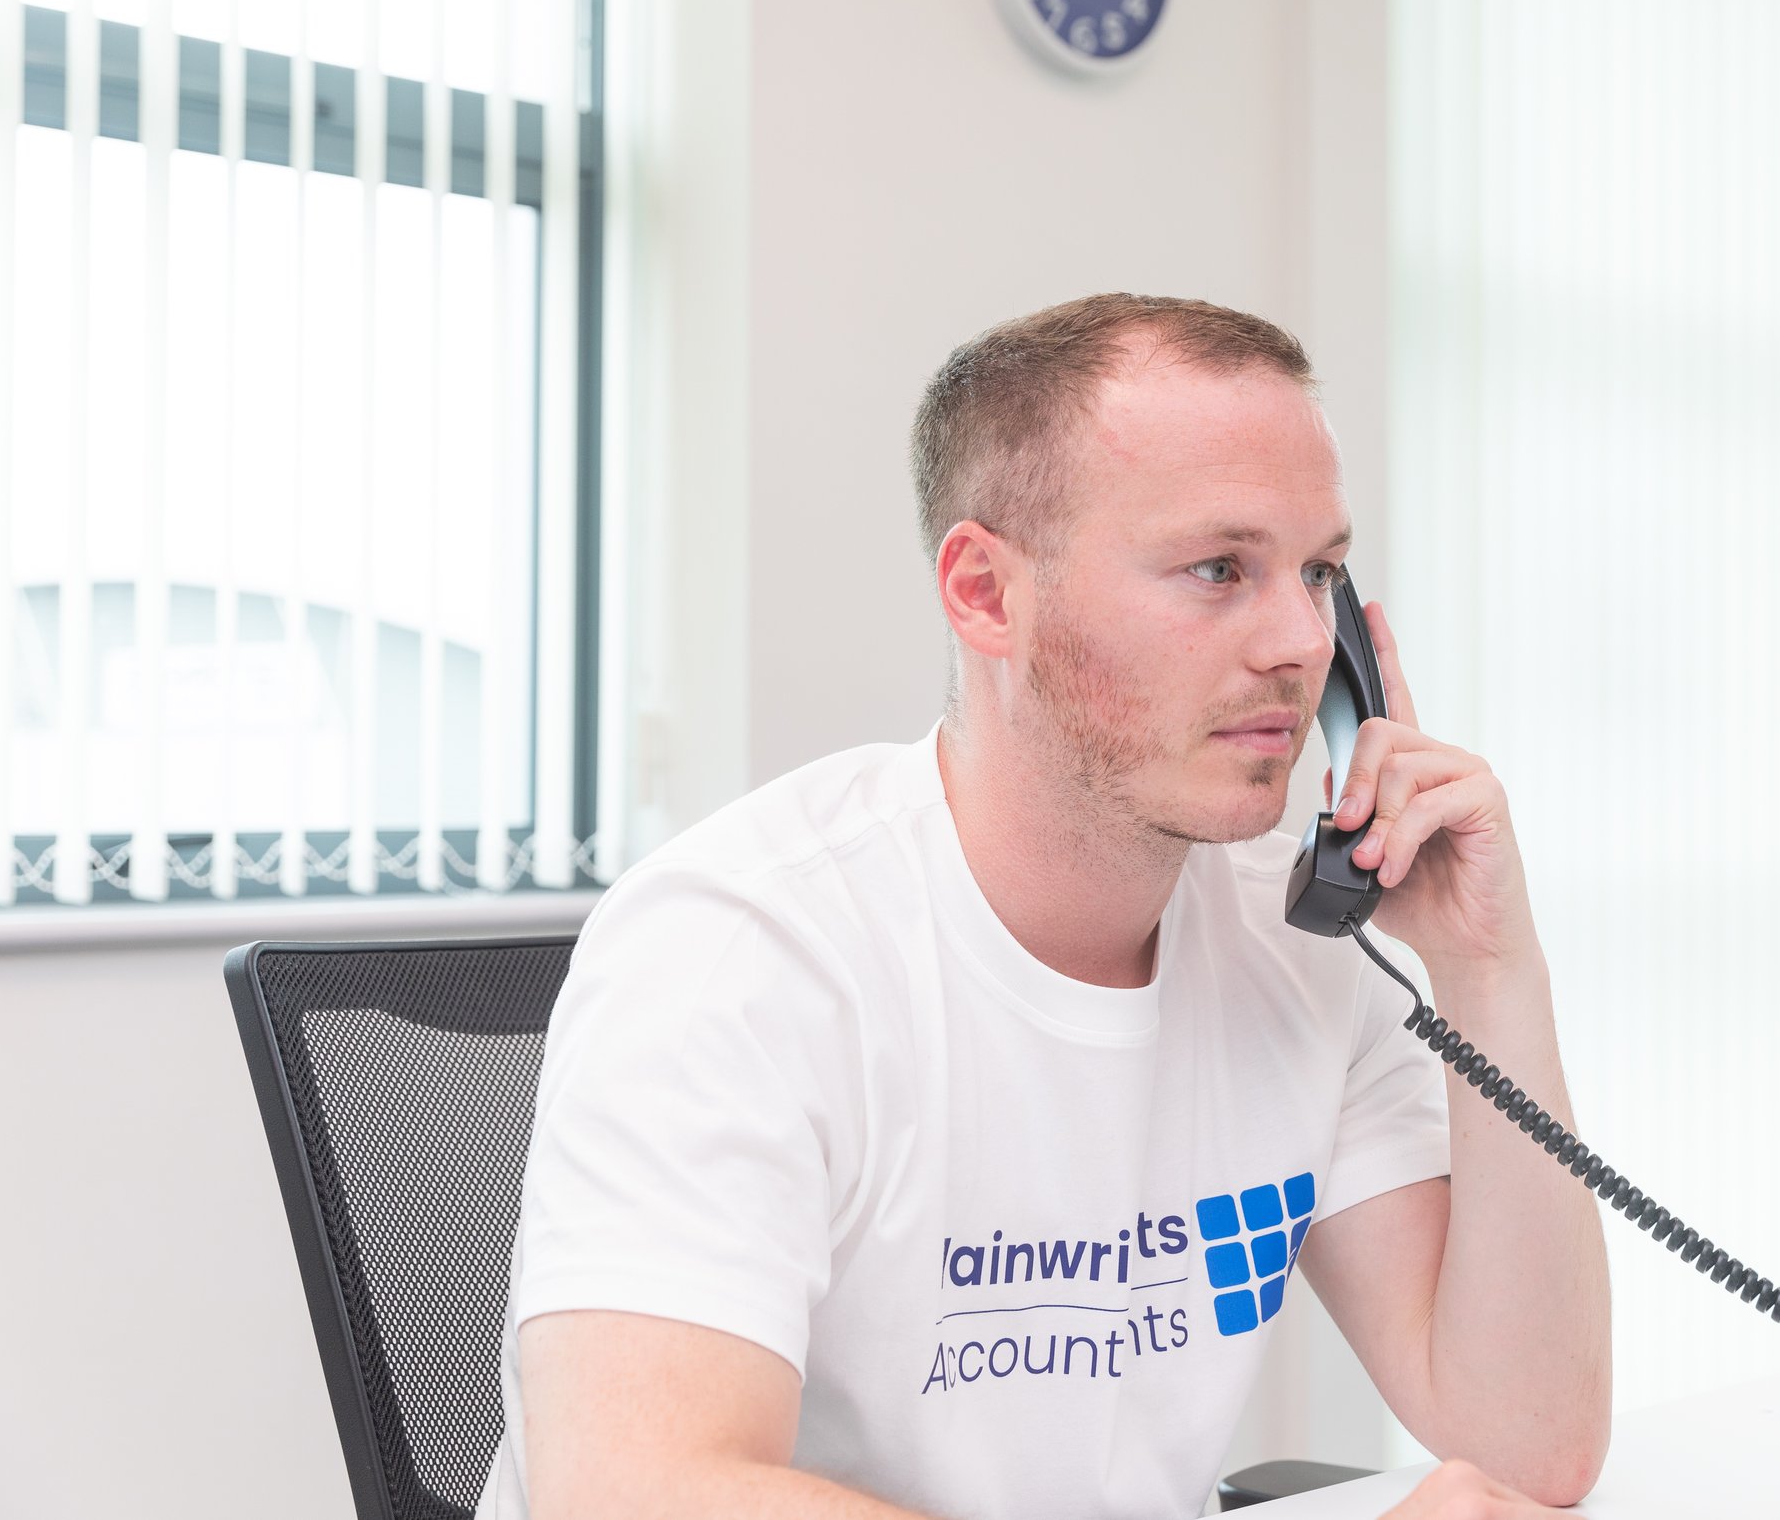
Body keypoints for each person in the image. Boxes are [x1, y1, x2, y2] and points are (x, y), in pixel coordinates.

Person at [475, 294, 1611, 1520]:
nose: (1297, 640)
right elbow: (634, 1493)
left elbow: (1528, 1445)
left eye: (1321, 570)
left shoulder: (1303, 947)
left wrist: (1489, 969)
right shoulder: (744, 948)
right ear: (986, 593)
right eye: (1220, 567)